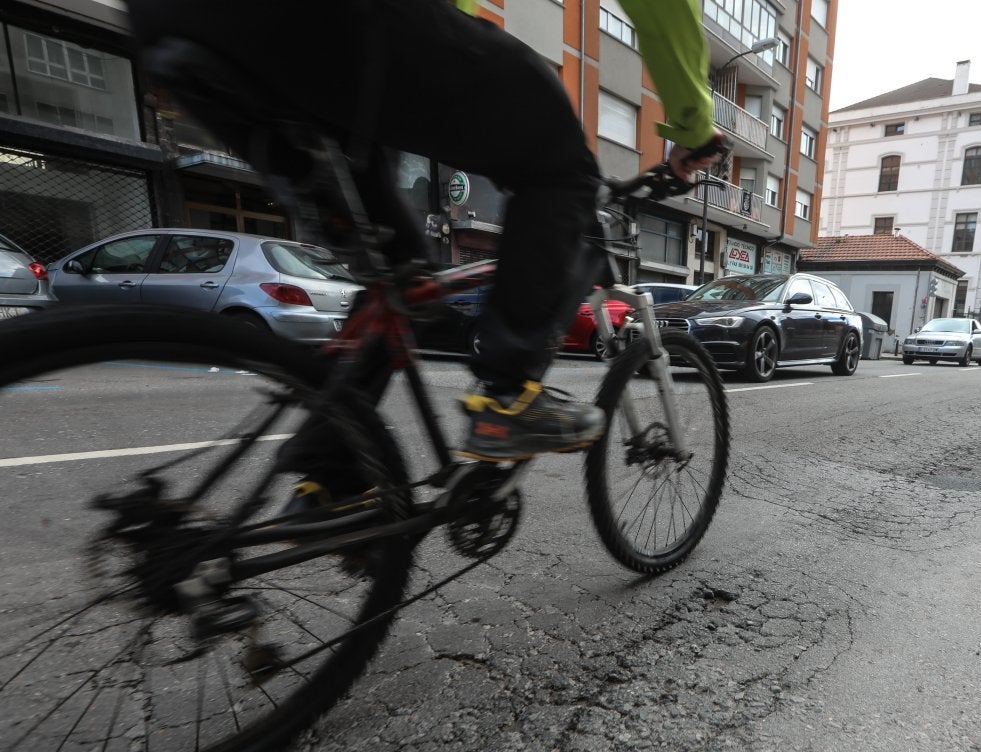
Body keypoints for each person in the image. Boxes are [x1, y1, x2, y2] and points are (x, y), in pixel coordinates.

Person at [125, 0, 724, 464]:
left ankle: (329, 471)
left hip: (171, 25)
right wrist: (694, 129)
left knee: (401, 275)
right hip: (334, 24)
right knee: (564, 170)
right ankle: (506, 398)